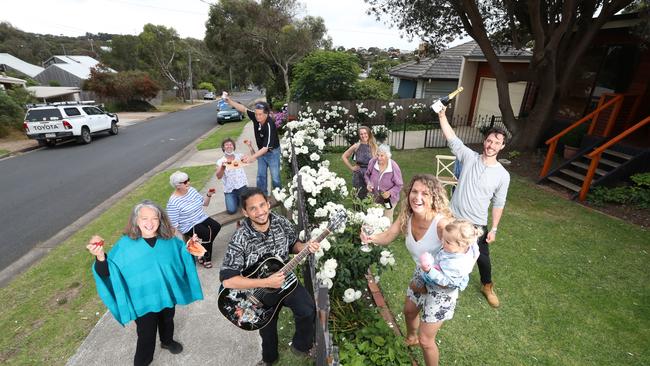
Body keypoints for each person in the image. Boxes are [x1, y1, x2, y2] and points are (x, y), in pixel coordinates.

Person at [87, 200, 203, 366]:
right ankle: (142, 361)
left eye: (154, 218)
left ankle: (167, 341)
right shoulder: (124, 246)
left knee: (167, 320)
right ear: (136, 220)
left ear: (160, 219)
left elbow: (182, 256)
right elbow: (107, 272)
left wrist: (192, 248)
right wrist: (100, 257)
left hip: (166, 293)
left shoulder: (169, 240)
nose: (150, 223)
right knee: (146, 334)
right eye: (144, 218)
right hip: (142, 300)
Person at [220, 187, 319, 366]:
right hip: (257, 293)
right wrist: (266, 282)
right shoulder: (240, 238)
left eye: (262, 205)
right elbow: (228, 280)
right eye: (253, 208)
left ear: (268, 203)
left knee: (307, 310)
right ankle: (269, 359)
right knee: (267, 329)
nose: (260, 212)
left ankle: (301, 345)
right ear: (245, 212)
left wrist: (305, 247)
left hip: (285, 280)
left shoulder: (281, 222)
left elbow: (293, 245)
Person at [360, 174, 452, 366]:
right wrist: (370, 238)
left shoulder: (442, 225)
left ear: (434, 197)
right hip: (421, 275)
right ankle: (411, 338)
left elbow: (466, 250)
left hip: (442, 284)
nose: (417, 197)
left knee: (427, 341)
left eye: (425, 193)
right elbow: (388, 235)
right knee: (409, 311)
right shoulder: (408, 216)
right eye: (414, 191)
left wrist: (435, 281)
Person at [437, 107, 510, 308]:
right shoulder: (469, 157)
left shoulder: (503, 175)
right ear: (484, 141)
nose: (491, 145)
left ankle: (487, 286)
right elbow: (452, 138)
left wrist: (494, 228)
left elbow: (499, 203)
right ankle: (437, 276)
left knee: (483, 259)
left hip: (476, 224)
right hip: (453, 217)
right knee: (443, 247)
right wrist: (442, 116)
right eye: (489, 141)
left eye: (497, 142)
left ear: (502, 146)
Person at [224, 94, 280, 196]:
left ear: (266, 114)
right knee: (260, 177)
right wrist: (230, 101)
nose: (257, 117)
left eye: (260, 115)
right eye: (256, 114)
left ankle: (279, 197)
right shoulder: (255, 116)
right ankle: (263, 197)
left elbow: (266, 148)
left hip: (272, 153)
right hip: (261, 153)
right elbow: (244, 109)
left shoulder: (269, 125)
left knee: (275, 178)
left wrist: (251, 157)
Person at [166, 171, 222, 269]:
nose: (188, 183)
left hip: (200, 217)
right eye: (185, 182)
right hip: (188, 225)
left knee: (217, 226)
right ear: (177, 186)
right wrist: (175, 242)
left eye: (188, 180)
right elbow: (173, 224)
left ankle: (200, 252)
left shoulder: (192, 190)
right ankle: (206, 259)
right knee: (206, 234)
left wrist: (209, 195)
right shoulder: (173, 202)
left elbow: (205, 204)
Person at [418, 220, 481, 291]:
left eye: (447, 242)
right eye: (443, 237)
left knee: (422, 288)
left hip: (442, 286)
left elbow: (445, 281)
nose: (442, 242)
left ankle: (424, 287)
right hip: (443, 266)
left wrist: (429, 270)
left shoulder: (455, 264)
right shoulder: (469, 242)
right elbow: (476, 250)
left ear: (462, 245)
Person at [364, 144, 404, 222]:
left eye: (382, 156)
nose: (379, 158)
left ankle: (387, 233)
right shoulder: (373, 162)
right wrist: (368, 183)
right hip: (374, 197)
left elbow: (399, 185)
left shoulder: (393, 167)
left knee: (386, 220)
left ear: (388, 156)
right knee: (373, 218)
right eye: (377, 155)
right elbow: (367, 175)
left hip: (389, 199)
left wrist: (389, 192)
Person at [341, 126, 377, 199]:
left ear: (369, 134)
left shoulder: (374, 146)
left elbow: (378, 161)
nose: (363, 135)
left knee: (370, 196)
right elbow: (344, 156)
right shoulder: (356, 146)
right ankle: (357, 210)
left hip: (370, 174)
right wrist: (351, 168)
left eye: (365, 133)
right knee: (358, 196)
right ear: (359, 135)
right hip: (358, 175)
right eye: (361, 134)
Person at [216, 138, 250, 214]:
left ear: (233, 147)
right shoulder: (220, 161)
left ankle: (240, 202)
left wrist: (250, 146)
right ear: (223, 148)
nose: (229, 146)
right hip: (229, 189)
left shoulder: (239, 156)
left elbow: (252, 158)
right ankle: (237, 202)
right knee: (231, 211)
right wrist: (222, 167)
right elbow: (218, 176)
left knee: (246, 207)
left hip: (242, 186)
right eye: (226, 145)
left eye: (231, 144)